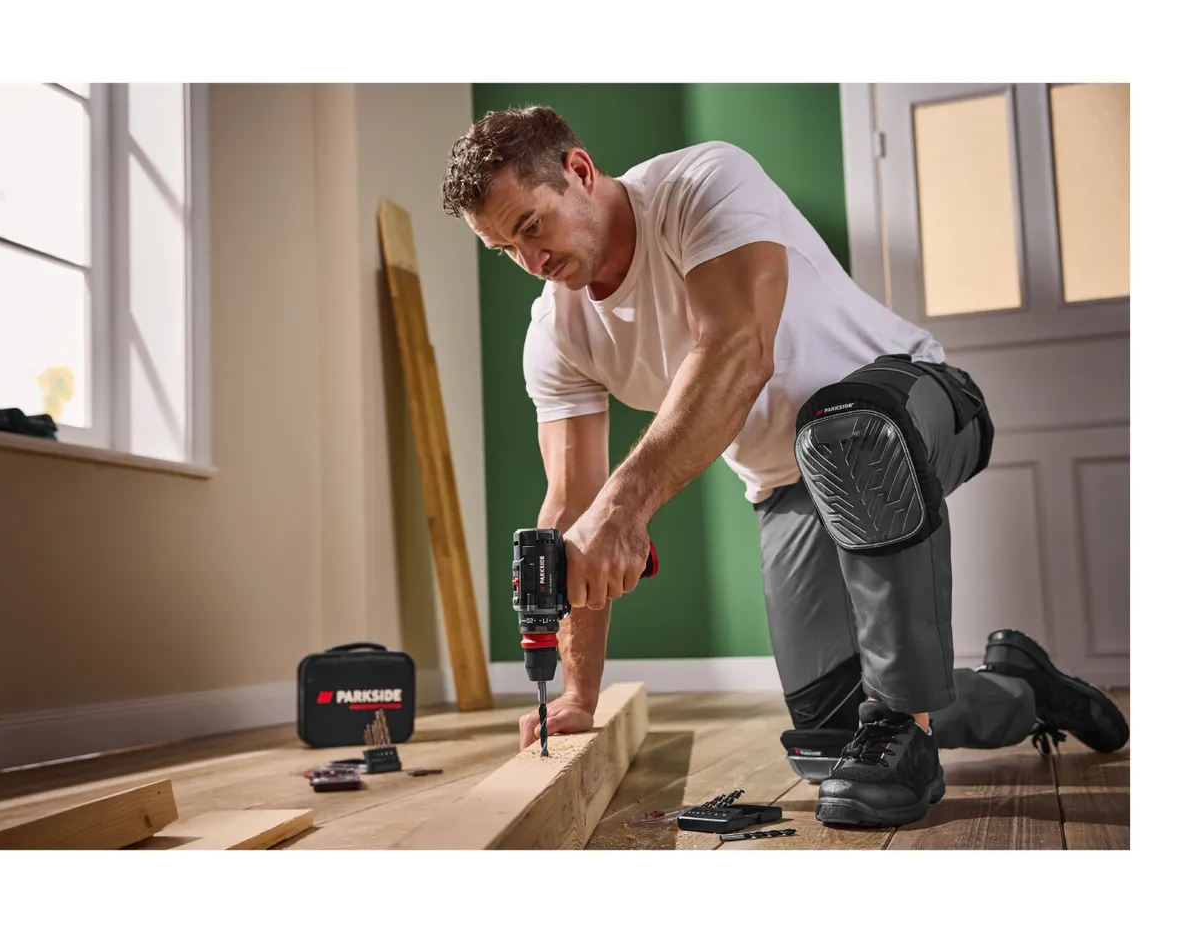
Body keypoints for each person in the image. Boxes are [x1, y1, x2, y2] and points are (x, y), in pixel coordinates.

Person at [439, 105, 1129, 827]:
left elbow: (738, 349)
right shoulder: (556, 332)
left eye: (530, 227)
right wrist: (578, 694)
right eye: (503, 249)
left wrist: (625, 507)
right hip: (788, 485)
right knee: (831, 737)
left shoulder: (702, 184)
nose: (530, 262)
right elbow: (571, 504)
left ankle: (905, 729)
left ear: (578, 172)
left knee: (844, 432)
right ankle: (1023, 688)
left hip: (914, 407)